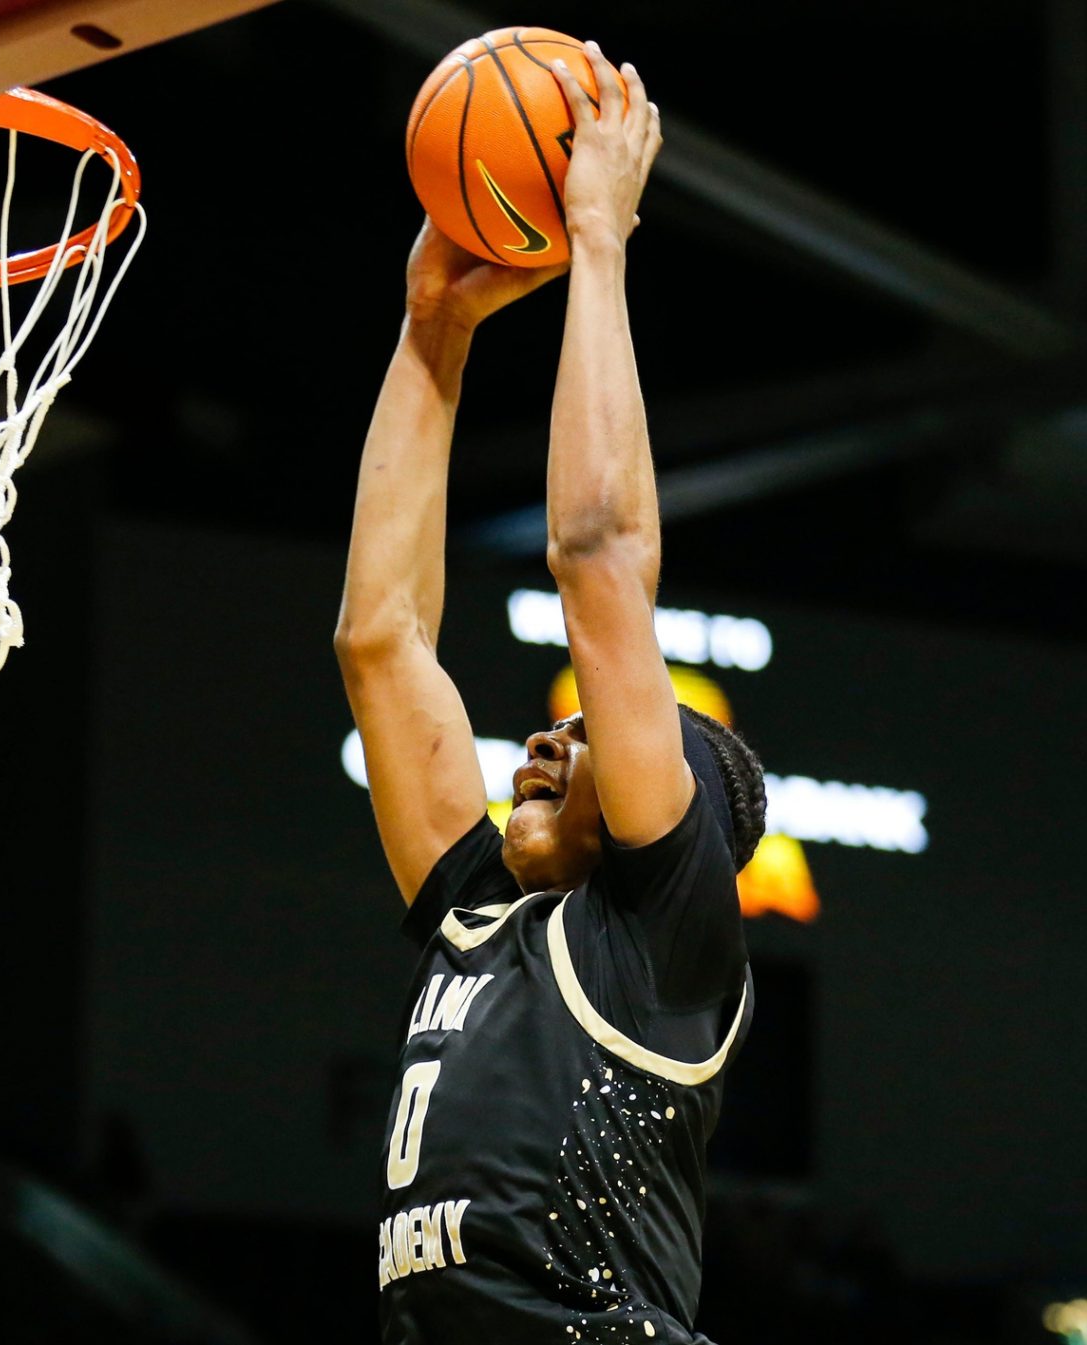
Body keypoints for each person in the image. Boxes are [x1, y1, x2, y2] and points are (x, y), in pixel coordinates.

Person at [334, 47, 767, 1345]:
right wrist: (434, 327)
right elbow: (383, 639)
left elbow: (598, 560)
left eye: (589, 734)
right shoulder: (479, 918)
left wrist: (597, 243)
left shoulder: (663, 933)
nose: (542, 735)